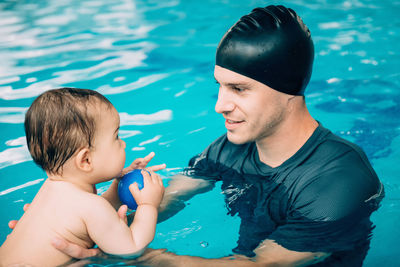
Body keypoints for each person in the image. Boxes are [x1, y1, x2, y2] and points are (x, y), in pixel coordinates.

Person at [9, 5, 384, 267]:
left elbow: (261, 265)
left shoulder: (338, 181)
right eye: (220, 87)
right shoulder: (229, 149)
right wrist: (67, 225)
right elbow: (166, 195)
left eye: (239, 90)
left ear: (287, 91)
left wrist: (136, 257)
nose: (220, 106)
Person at [0, 88, 165, 266]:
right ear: (86, 160)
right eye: (116, 137)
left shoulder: (51, 188)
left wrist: (118, 186)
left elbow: (93, 218)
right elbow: (131, 248)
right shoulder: (92, 207)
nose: (123, 143)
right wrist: (148, 205)